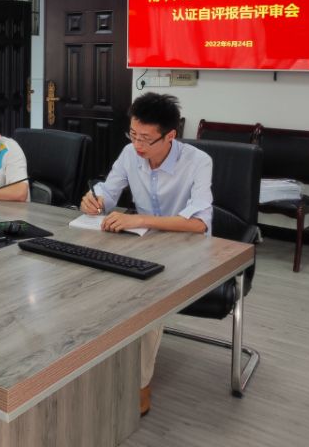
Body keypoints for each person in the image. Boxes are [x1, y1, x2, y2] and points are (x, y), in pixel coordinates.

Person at [79, 92, 213, 416]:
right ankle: (90, 369)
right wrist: (94, 201)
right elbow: (109, 193)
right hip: (141, 245)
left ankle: (140, 384)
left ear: (170, 136)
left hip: (186, 250)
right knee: (88, 280)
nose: (138, 145)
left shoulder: (198, 162)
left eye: (146, 139)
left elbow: (198, 223)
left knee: (147, 300)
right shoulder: (130, 154)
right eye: (133, 135)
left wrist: (140, 220)